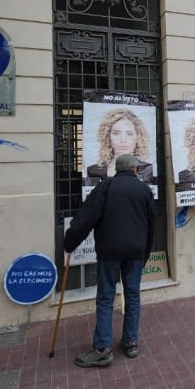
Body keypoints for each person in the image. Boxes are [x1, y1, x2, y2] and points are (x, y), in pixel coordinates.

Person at [63, 154, 156, 368]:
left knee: (105, 298)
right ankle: (130, 343)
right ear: (134, 169)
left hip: (110, 252)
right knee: (132, 297)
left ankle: (103, 348)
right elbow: (152, 225)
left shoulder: (106, 187)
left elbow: (85, 218)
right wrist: (146, 253)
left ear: (117, 169)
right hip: (135, 253)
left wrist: (70, 243)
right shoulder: (144, 190)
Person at [86, 108, 154, 185]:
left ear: (138, 137)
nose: (123, 140)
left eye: (129, 133)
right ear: (108, 137)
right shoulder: (93, 170)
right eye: (116, 133)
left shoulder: (147, 170)